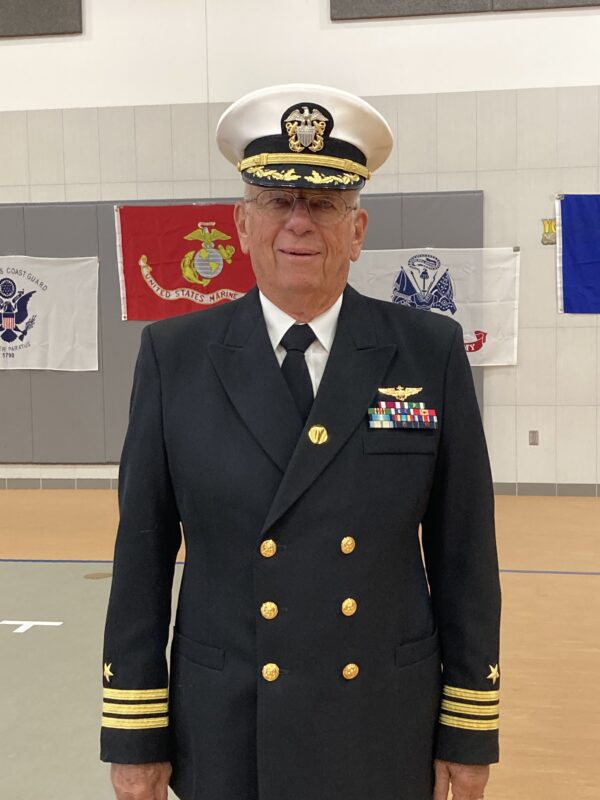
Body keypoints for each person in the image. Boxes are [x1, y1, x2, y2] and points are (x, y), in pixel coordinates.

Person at [101, 84, 501, 800]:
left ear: (358, 229)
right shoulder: (176, 355)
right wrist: (134, 734)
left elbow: (464, 553)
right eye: (276, 202)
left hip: (381, 719)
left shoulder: (424, 352)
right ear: (241, 223)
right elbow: (142, 556)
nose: (299, 224)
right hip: (226, 723)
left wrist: (469, 730)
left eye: (323, 204)